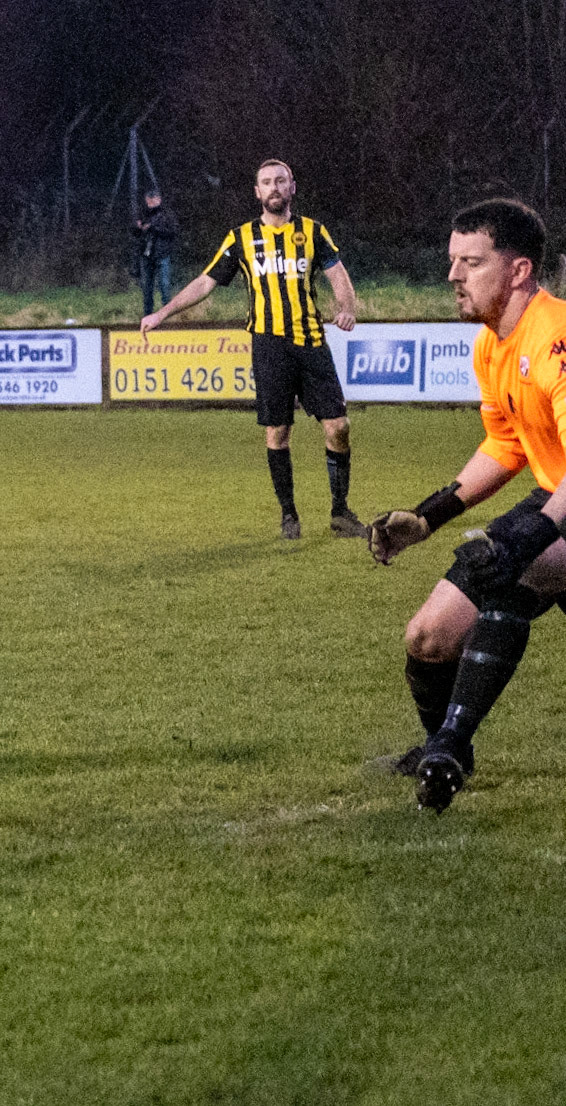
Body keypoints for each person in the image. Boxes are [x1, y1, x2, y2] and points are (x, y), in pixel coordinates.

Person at [368, 199, 566, 813]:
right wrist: (428, 516)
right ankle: (444, 745)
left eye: (471, 262)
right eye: (452, 261)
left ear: (518, 271)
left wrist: (522, 536)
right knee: (428, 636)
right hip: (556, 500)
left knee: (509, 568)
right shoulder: (490, 343)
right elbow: (505, 445)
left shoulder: (555, 336)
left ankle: (450, 747)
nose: (453, 275)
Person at [142, 159, 364, 540]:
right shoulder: (241, 238)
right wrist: (163, 312)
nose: (275, 187)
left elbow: (337, 275)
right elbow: (206, 282)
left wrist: (346, 309)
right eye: (267, 182)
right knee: (278, 433)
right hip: (268, 346)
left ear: (292, 187)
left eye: (281, 180)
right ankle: (289, 514)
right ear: (257, 192)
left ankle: (340, 512)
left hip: (310, 341)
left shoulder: (312, 232)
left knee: (339, 426)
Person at [132, 190, 179, 316]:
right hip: (146, 255)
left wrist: (154, 228)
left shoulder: (167, 214)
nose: (151, 202)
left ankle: (167, 314)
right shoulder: (142, 214)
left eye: (153, 199)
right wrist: (138, 228)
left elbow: (173, 232)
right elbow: (135, 234)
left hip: (162, 254)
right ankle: (147, 315)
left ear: (159, 199)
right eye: (149, 200)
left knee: (164, 286)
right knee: (147, 288)